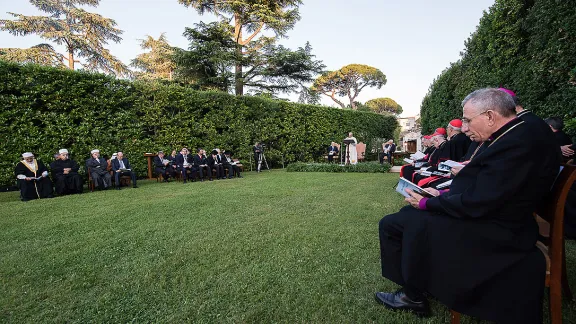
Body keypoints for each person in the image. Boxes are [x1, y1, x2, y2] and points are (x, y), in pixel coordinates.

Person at [375, 88, 560, 323]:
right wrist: (442, 194)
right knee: (405, 217)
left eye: (468, 120)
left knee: (405, 221)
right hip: (496, 217)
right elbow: (491, 187)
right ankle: (416, 287)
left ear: (491, 116)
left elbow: (482, 200)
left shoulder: (520, 140)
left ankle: (413, 294)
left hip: (499, 231)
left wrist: (428, 202)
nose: (464, 128)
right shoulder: (520, 133)